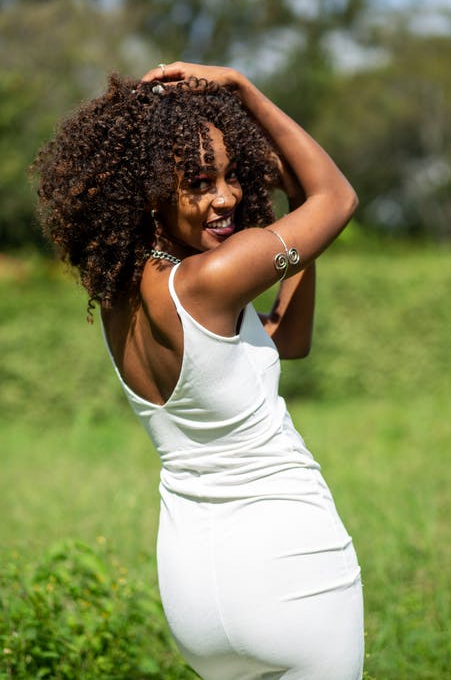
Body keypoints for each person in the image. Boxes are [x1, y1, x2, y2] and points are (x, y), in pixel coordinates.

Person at [34, 61, 364, 680]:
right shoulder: (210, 280)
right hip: (289, 566)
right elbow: (337, 197)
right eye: (198, 181)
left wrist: (297, 245)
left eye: (233, 176)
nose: (227, 197)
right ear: (149, 190)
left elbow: (285, 341)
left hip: (196, 591)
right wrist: (242, 89)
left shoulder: (124, 295)